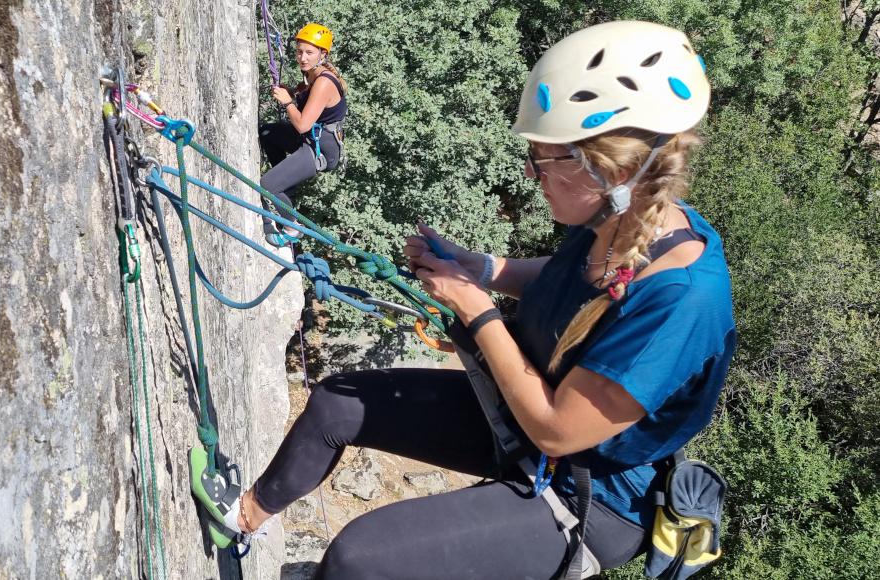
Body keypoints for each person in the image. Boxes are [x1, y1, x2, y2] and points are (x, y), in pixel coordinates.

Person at [203, 21, 736, 578]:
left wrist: (474, 307)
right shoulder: (619, 215)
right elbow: (568, 275)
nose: (532, 175)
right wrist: (475, 267)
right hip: (520, 412)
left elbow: (558, 428)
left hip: (588, 492)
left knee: (357, 560)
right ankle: (242, 519)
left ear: (612, 171)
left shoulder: (682, 302)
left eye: (543, 161)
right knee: (337, 403)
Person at [258, 23, 348, 245]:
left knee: (267, 185)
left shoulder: (324, 82)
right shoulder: (312, 75)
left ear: (322, 54)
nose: (303, 58)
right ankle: (286, 186)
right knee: (267, 132)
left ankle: (292, 227)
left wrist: (287, 101)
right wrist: (292, 93)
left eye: (309, 52)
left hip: (320, 148)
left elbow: (302, 125)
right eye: (299, 51)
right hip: (311, 138)